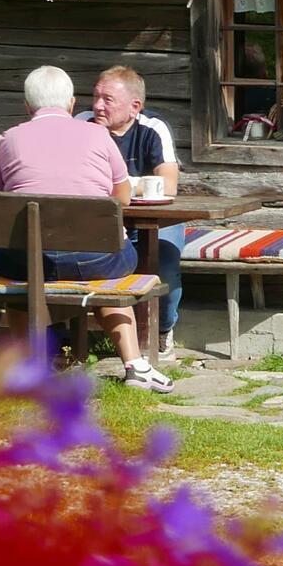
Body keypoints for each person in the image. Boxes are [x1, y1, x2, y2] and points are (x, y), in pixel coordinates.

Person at [0, 65, 170, 391]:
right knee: (109, 275)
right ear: (71, 104)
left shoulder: (10, 138)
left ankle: (36, 364)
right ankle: (135, 365)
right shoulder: (98, 135)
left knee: (19, 283)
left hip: (28, 260)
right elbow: (122, 197)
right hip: (94, 259)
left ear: (28, 106)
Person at [81, 66, 185, 359]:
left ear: (134, 106)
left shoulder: (152, 129)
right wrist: (134, 185)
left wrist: (119, 185)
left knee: (165, 262)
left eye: (108, 99)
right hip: (98, 221)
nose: (97, 105)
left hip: (155, 221)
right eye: (96, 97)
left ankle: (163, 331)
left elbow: (169, 185)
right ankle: (74, 336)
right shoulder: (83, 124)